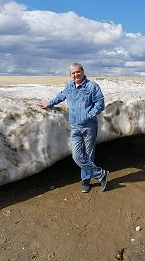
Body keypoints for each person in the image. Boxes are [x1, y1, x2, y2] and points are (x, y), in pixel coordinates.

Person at [38, 63, 109, 193]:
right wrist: (48, 103)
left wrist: (89, 115)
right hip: (75, 126)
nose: (76, 74)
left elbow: (100, 104)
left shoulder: (92, 86)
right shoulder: (69, 86)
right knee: (77, 156)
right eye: (73, 73)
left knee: (88, 155)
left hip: (89, 126)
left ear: (82, 71)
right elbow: (61, 96)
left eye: (78, 72)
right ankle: (101, 174)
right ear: (70, 75)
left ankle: (85, 181)